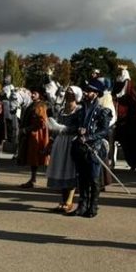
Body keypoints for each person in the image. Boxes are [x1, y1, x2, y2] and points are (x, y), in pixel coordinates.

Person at [69, 78, 112, 218]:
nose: (86, 93)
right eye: (86, 90)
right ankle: (82, 206)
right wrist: (78, 130)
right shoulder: (80, 110)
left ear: (97, 93)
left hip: (94, 148)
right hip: (80, 148)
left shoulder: (103, 111)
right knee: (82, 178)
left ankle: (93, 207)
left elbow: (105, 131)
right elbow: (73, 125)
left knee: (93, 179)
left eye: (90, 91)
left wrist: (88, 137)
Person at [47, 85, 83, 214]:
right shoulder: (62, 110)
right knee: (61, 170)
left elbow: (79, 127)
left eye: (70, 93)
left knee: (70, 170)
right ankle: (62, 200)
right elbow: (56, 128)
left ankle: (69, 200)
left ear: (76, 95)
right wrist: (51, 140)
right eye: (67, 93)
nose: (68, 95)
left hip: (71, 141)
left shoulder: (79, 110)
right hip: (60, 142)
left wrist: (63, 129)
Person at [18, 86, 51, 188]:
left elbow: (41, 122)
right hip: (32, 133)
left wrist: (26, 129)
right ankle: (33, 178)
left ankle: (33, 180)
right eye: (32, 93)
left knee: (35, 157)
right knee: (33, 158)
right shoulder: (33, 104)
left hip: (37, 134)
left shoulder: (41, 106)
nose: (32, 95)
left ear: (40, 94)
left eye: (35, 93)